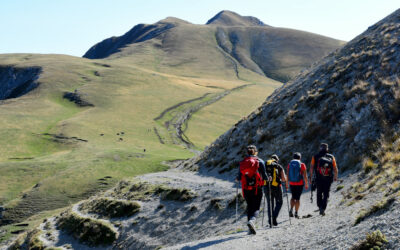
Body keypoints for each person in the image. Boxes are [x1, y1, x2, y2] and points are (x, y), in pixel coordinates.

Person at [236, 145, 268, 234]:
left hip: (246, 189)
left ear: (247, 152)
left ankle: (250, 229)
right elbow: (265, 176)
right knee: (256, 207)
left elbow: (238, 177)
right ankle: (252, 221)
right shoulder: (260, 161)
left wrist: (237, 179)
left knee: (249, 206)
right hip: (257, 188)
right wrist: (267, 180)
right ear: (255, 152)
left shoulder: (243, 162)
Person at [310, 143, 338, 216]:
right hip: (328, 178)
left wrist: (310, 177)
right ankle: (323, 207)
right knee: (326, 193)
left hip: (318, 178)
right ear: (327, 149)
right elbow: (335, 168)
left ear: (320, 148)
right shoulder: (331, 157)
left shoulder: (315, 156)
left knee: (319, 192)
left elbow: (311, 167)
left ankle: (320, 207)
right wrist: (335, 176)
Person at [264, 154, 286, 226]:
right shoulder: (278, 166)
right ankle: (274, 217)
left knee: (270, 204)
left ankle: (270, 221)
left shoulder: (266, 166)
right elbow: (283, 179)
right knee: (279, 202)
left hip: (267, 187)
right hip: (276, 187)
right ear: (277, 160)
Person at [287, 152, 308, 218]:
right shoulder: (302, 164)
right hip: (300, 183)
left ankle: (291, 209)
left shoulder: (289, 164)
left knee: (293, 197)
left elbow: (287, 175)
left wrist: (287, 184)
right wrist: (306, 184)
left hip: (292, 183)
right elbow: (305, 176)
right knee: (298, 199)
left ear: (293, 158)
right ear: (300, 157)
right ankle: (296, 213)